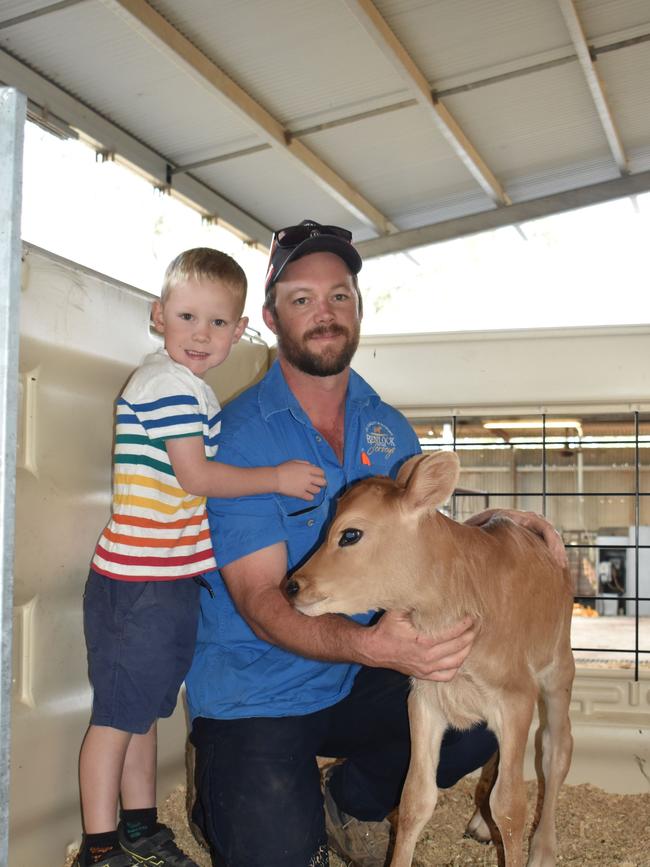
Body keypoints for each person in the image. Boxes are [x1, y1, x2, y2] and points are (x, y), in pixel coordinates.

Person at [184, 222, 568, 867]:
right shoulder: (244, 434)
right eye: (302, 298)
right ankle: (235, 788)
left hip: (358, 675)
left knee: (477, 717)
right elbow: (259, 600)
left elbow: (419, 532)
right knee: (274, 851)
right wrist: (371, 644)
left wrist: (496, 527)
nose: (324, 313)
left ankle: (350, 799)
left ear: (358, 310)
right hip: (261, 687)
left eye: (340, 296)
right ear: (273, 318)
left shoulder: (385, 424)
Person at [76, 247, 326, 867]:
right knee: (116, 718)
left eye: (218, 323)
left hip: (166, 580)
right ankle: (99, 847)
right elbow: (194, 477)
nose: (201, 334)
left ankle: (138, 828)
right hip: (137, 584)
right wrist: (276, 478)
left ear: (240, 331)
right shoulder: (164, 384)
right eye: (187, 316)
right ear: (159, 316)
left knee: (143, 712)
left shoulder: (188, 388)